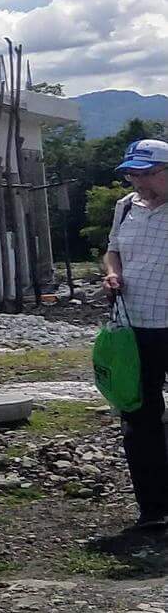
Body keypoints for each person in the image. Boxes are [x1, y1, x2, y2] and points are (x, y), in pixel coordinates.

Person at [102, 136, 168, 540]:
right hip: (135, 327)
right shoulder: (126, 207)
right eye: (132, 174)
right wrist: (112, 272)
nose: (139, 183)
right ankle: (155, 508)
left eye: (147, 175)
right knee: (139, 415)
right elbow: (112, 250)